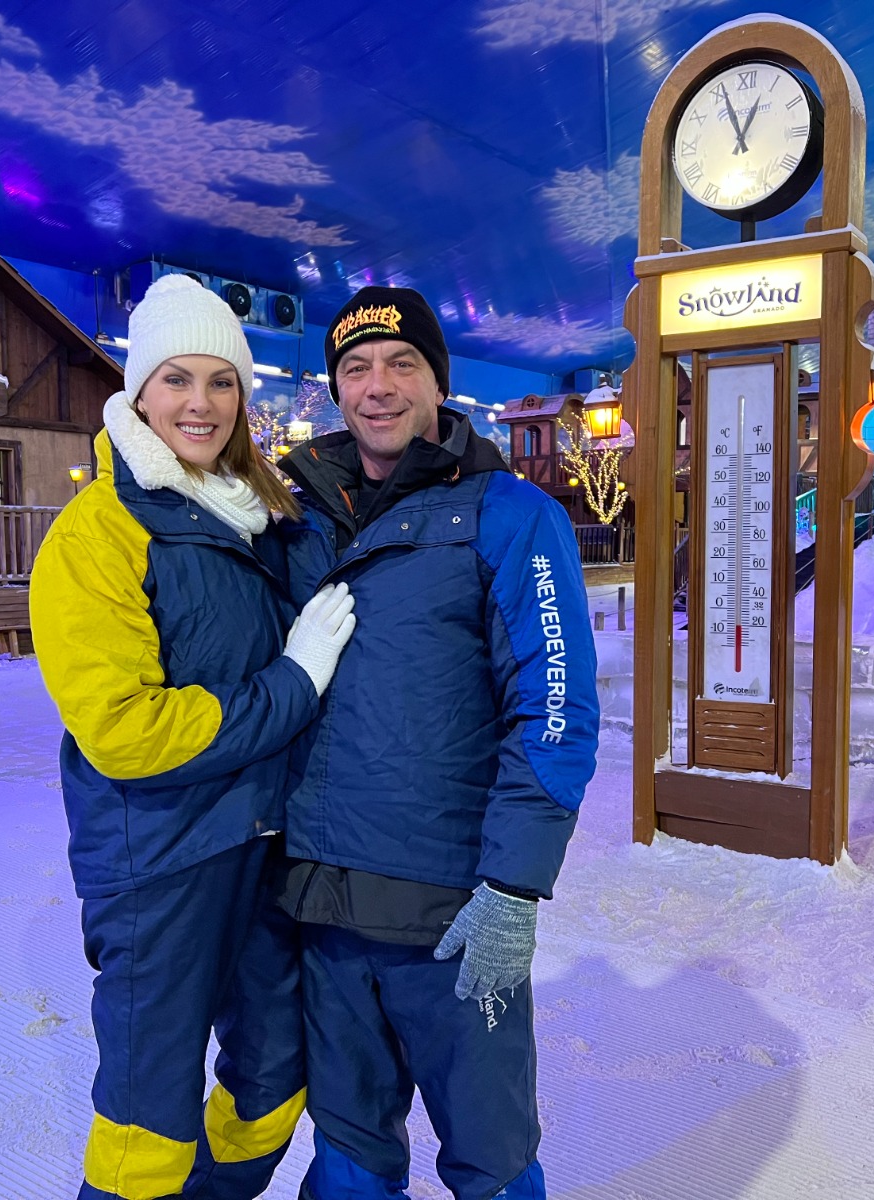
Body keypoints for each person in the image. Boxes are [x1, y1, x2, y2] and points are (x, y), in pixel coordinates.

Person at [28, 275, 356, 1200]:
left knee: (274, 1074)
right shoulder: (98, 535)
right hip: (161, 861)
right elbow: (124, 733)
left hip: (263, 846)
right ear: (138, 391)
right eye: (177, 379)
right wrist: (292, 683)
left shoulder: (258, 516)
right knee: (148, 1119)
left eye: (222, 381)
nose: (200, 404)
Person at [276, 286, 600, 1200]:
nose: (377, 387)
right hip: (322, 906)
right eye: (355, 368)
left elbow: (556, 706)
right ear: (335, 388)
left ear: (437, 382)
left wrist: (512, 885)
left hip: (452, 913)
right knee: (345, 1153)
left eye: (401, 364)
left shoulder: (510, 517)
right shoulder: (297, 516)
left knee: (491, 1160)